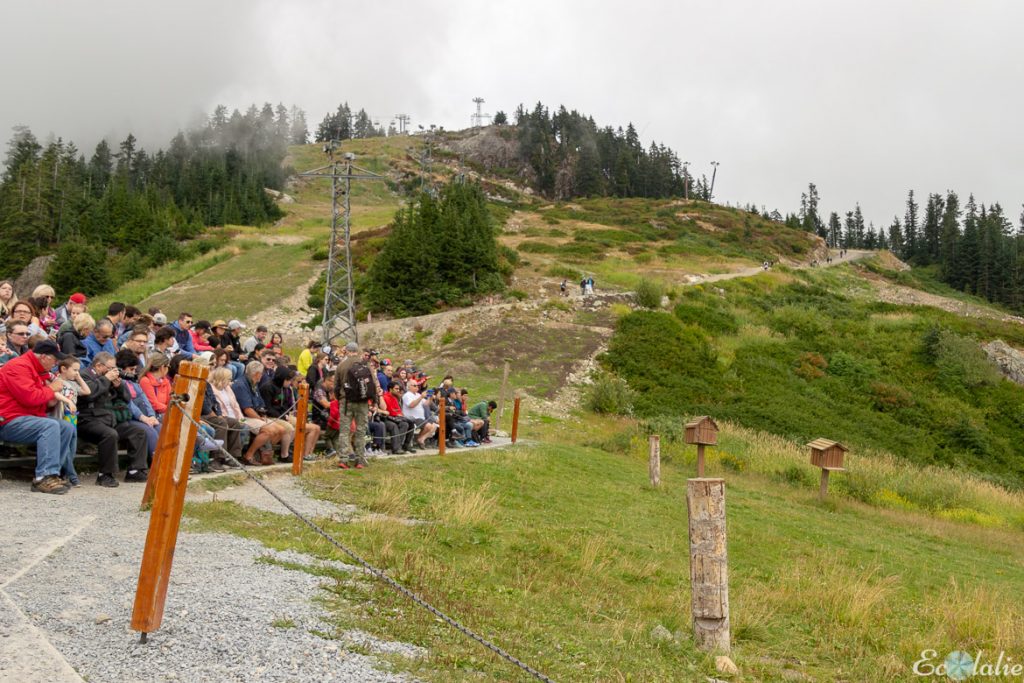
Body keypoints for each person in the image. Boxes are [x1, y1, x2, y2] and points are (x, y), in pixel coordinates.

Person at [0, 339, 77, 494]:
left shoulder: (35, 368)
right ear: (44, 357)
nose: (55, 364)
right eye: (54, 360)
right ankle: (44, 477)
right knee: (49, 426)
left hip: (26, 418)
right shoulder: (18, 367)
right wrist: (51, 390)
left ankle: (54, 473)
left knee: (66, 427)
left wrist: (51, 401)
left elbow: (39, 402)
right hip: (8, 420)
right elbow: (30, 397)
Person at [79, 351, 150, 485]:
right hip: (88, 420)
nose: (114, 371)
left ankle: (135, 471)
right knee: (109, 434)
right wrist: (106, 379)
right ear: (99, 366)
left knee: (138, 432)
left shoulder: (108, 377)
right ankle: (105, 474)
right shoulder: (84, 375)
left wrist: (119, 386)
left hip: (108, 419)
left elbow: (127, 398)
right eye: (110, 368)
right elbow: (89, 394)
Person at [232, 360, 290, 465]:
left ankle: (262, 451)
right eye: (261, 373)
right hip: (244, 417)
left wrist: (262, 414)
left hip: (256, 415)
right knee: (268, 430)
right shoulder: (241, 385)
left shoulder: (254, 383)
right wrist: (260, 419)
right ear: (257, 374)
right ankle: (249, 455)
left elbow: (260, 404)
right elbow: (247, 410)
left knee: (281, 430)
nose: (262, 375)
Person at [49, 356, 91, 486]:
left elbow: (87, 391)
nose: (77, 372)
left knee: (72, 448)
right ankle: (73, 477)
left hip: (72, 418)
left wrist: (78, 377)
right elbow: (53, 393)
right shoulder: (57, 381)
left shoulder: (73, 383)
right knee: (65, 449)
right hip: (61, 416)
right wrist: (66, 401)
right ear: (63, 369)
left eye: (78, 370)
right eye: (74, 370)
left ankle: (64, 475)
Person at [335, 341, 377, 468]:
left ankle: (343, 459)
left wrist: (340, 398)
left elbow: (336, 386)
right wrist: (373, 401)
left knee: (344, 431)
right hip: (362, 402)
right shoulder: (365, 364)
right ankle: (360, 459)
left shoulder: (341, 365)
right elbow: (373, 384)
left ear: (346, 351)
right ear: (357, 351)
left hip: (346, 402)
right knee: (360, 430)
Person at [115, 349, 161, 461]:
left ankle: (169, 460)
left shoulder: (133, 382)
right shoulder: (118, 383)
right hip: (129, 419)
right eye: (131, 369)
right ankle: (157, 462)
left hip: (143, 418)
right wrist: (144, 418)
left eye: (135, 369)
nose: (133, 372)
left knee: (160, 428)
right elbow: (128, 403)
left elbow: (144, 399)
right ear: (122, 368)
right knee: (149, 432)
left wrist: (152, 416)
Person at [402, 379, 439, 449]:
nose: (417, 387)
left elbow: (425, 404)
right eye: (415, 386)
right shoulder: (407, 395)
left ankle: (420, 439)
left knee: (434, 426)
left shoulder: (418, 394)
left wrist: (430, 398)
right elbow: (411, 405)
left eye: (418, 386)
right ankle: (420, 440)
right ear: (409, 386)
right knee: (428, 426)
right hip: (412, 417)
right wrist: (421, 397)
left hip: (420, 418)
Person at [380, 382, 415, 455]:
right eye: (396, 389)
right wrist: (400, 416)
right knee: (395, 425)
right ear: (390, 389)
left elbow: (398, 411)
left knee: (406, 424)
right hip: (386, 418)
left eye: (398, 389)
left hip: (396, 417)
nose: (398, 390)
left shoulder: (394, 397)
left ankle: (405, 446)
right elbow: (390, 411)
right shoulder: (385, 397)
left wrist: (401, 416)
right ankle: (396, 448)